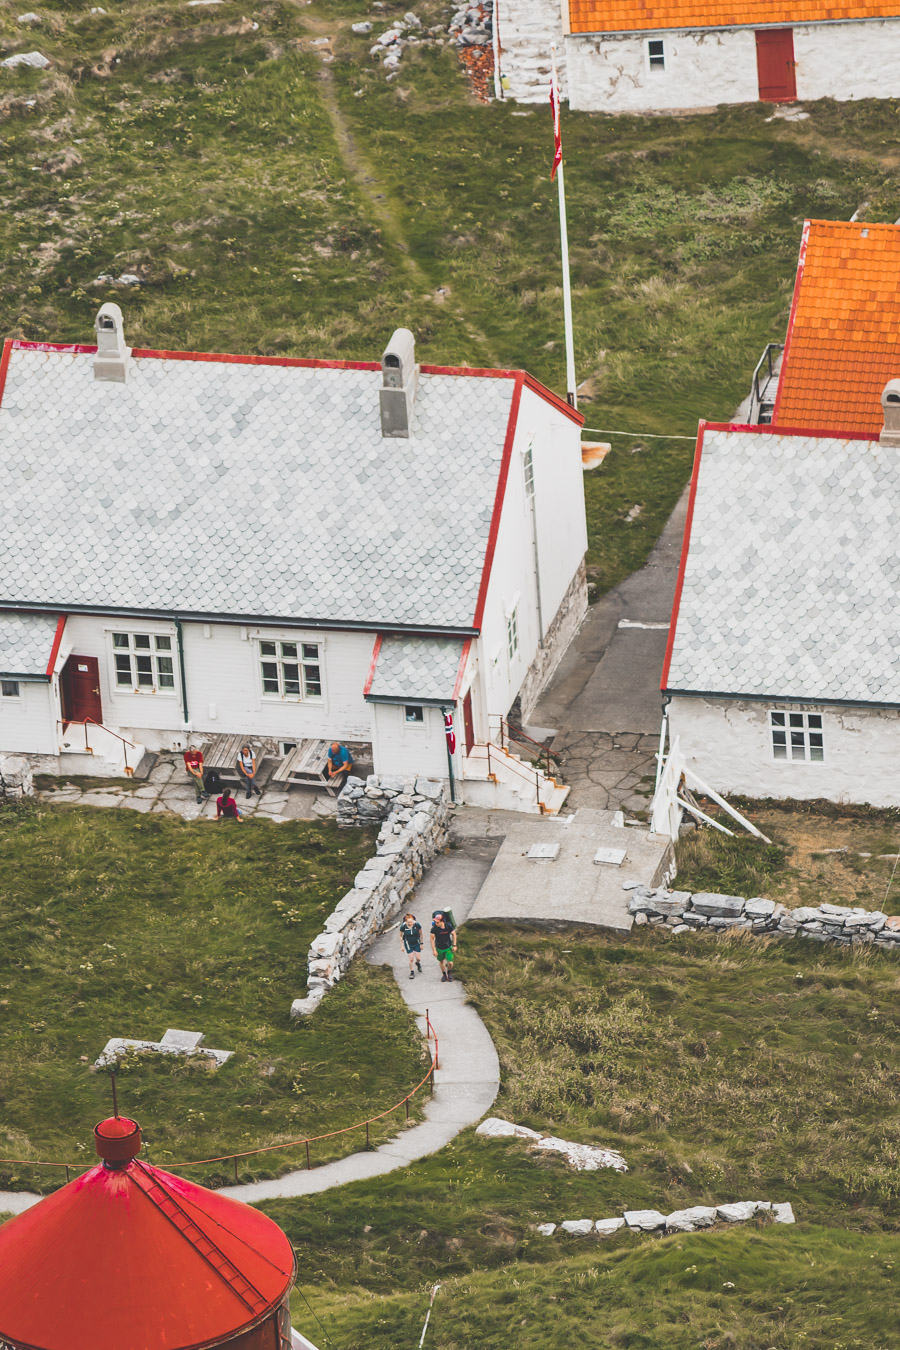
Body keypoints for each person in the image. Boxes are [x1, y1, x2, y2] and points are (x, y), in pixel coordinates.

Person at [430, 910, 457, 982]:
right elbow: (432, 939)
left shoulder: (448, 926)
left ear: (442, 921)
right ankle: (444, 975)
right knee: (441, 961)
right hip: (439, 948)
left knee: (450, 962)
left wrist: (454, 945)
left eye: (437, 922)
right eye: (435, 922)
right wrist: (434, 950)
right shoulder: (434, 928)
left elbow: (454, 934)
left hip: (448, 947)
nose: (435, 923)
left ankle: (449, 973)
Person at [400, 912, 423, 980]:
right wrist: (402, 946)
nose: (410, 923)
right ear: (406, 922)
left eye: (411, 922)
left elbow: (421, 934)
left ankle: (418, 963)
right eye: (408, 922)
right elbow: (401, 936)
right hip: (408, 944)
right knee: (411, 958)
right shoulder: (403, 927)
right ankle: (412, 972)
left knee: (418, 958)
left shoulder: (417, 925)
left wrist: (421, 943)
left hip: (416, 942)